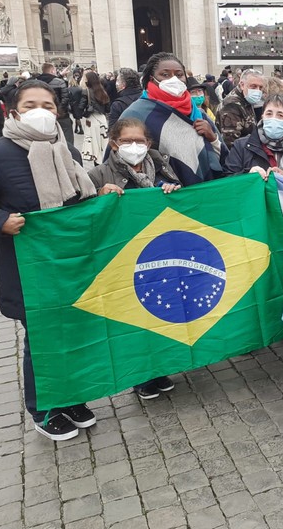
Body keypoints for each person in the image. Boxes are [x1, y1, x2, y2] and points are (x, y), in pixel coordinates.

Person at [0, 79, 97, 440]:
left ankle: (71, 396)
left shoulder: (69, 153)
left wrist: (103, 194)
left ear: (58, 111)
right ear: (13, 111)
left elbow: (80, 205)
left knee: (74, 334)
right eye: (31, 105)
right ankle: (44, 408)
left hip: (71, 266)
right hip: (27, 269)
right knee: (43, 340)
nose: (41, 112)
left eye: (48, 106)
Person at [87, 117, 181, 399]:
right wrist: (101, 196)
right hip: (126, 256)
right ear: (113, 143)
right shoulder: (99, 174)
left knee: (161, 312)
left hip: (161, 251)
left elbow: (181, 197)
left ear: (148, 143)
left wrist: (173, 190)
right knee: (134, 317)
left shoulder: (161, 165)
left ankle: (159, 368)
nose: (134, 146)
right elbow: (87, 214)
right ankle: (141, 375)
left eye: (139, 141)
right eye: (126, 141)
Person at [119, 52, 225, 185]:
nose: (174, 79)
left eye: (179, 74)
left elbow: (225, 160)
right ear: (152, 79)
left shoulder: (199, 114)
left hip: (202, 195)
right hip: (161, 197)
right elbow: (117, 162)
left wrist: (213, 138)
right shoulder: (135, 114)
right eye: (165, 74)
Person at [225, 92, 283, 177]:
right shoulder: (242, 146)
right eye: (269, 114)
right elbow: (227, 180)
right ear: (262, 117)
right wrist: (248, 175)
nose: (273, 119)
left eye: (280, 115)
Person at [216, 68, 265, 147]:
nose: (258, 91)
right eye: (253, 86)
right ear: (242, 85)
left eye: (260, 88)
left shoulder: (246, 99)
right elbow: (231, 143)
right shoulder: (231, 105)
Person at [36, 63, 72, 145]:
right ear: (52, 71)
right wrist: (58, 111)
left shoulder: (36, 83)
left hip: (42, 115)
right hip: (61, 115)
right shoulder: (59, 82)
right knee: (67, 139)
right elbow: (65, 99)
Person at [79, 71, 110, 164]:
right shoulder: (103, 91)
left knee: (94, 144)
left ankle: (97, 164)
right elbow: (108, 109)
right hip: (102, 119)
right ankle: (104, 162)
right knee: (103, 143)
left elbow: (80, 108)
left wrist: (85, 113)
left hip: (92, 119)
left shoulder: (86, 92)